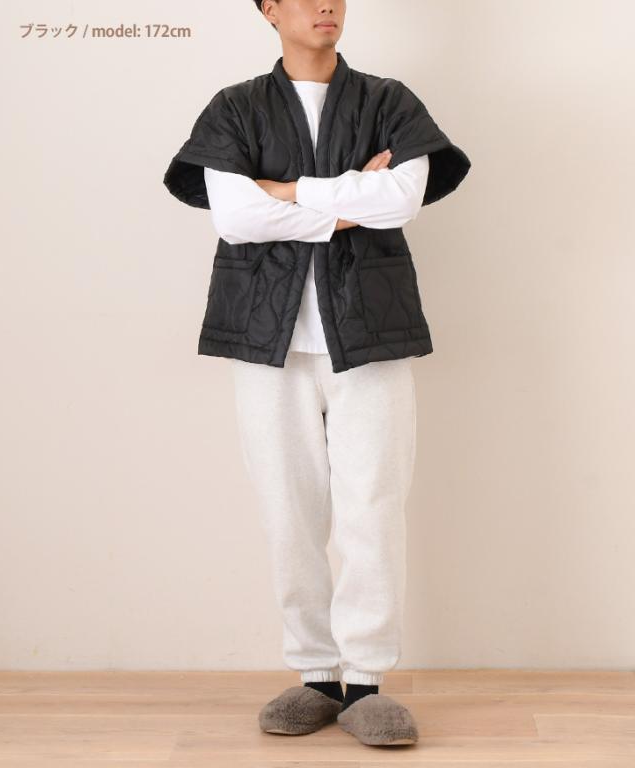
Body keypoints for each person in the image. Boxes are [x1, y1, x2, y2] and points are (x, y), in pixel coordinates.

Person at [163, 0, 470, 747]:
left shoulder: (387, 100)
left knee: (373, 505)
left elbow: (401, 199)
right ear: (269, 9)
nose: (325, 4)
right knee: (288, 510)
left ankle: (364, 681)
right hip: (265, 334)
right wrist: (345, 194)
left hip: (370, 332)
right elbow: (235, 217)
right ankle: (315, 673)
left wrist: (283, 190)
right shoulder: (236, 107)